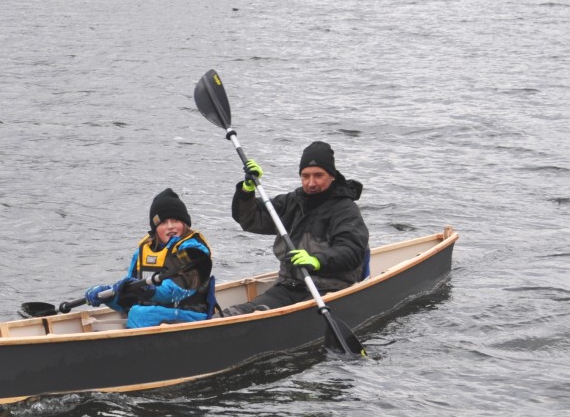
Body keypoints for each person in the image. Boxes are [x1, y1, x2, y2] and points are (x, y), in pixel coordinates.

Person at [223, 141, 369, 316]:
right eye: (305, 176)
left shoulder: (346, 209)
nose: (311, 183)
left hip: (328, 289)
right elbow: (250, 218)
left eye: (318, 175)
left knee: (271, 316)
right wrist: (247, 191)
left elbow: (352, 251)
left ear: (332, 176)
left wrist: (317, 261)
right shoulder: (292, 202)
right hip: (287, 286)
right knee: (240, 312)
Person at [85, 188, 215, 329]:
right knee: (136, 311)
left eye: (176, 220)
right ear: (155, 228)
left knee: (139, 314)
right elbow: (130, 299)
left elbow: (175, 292)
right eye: (163, 222)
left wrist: (147, 289)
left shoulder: (193, 251)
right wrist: (109, 296)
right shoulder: (141, 253)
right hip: (153, 317)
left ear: (185, 224)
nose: (170, 226)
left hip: (189, 317)